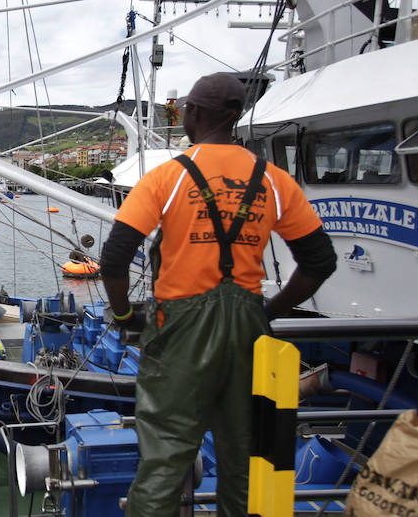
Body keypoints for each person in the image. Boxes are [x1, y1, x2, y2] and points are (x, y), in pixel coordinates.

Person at [100, 72, 337, 516]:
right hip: (248, 331)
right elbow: (320, 262)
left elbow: (114, 259)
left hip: (178, 333)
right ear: (235, 116)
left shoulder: (166, 178)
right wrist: (269, 310)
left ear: (192, 113)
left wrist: (124, 316)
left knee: (165, 461)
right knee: (244, 460)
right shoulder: (274, 181)